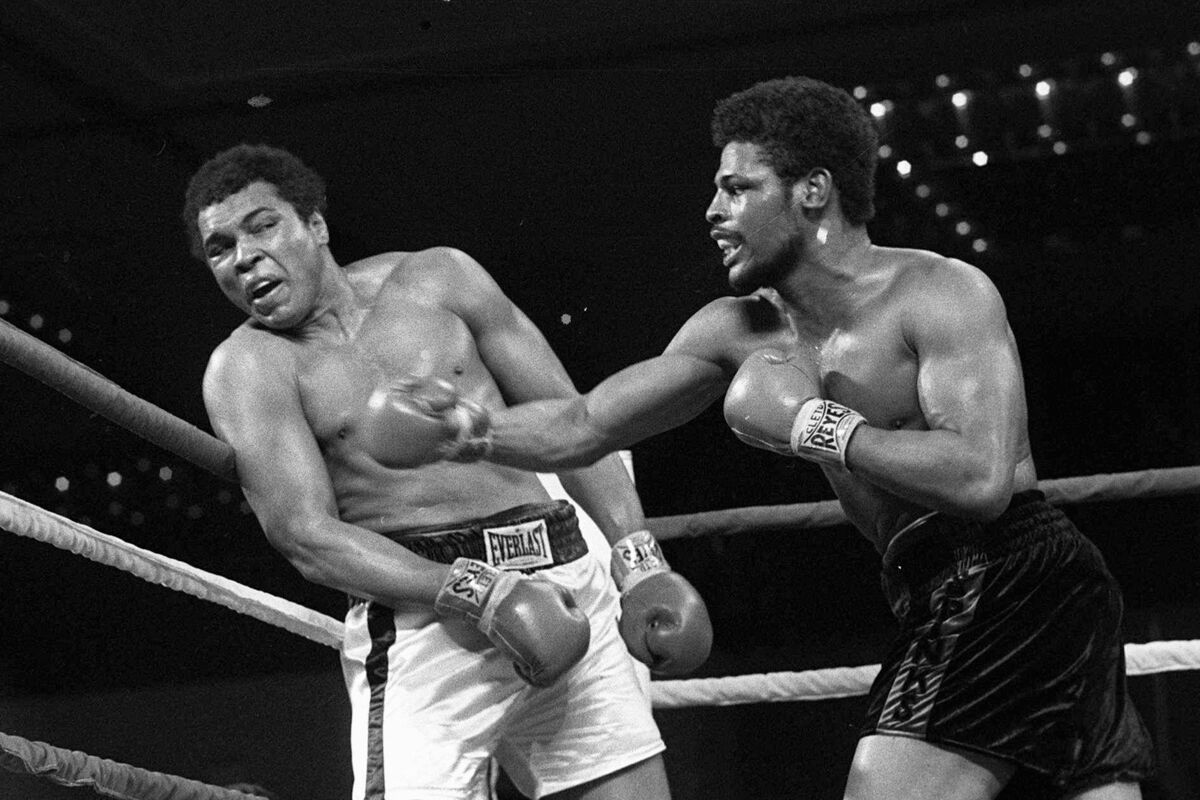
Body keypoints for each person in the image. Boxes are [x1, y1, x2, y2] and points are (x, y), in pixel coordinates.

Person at [404, 76, 1156, 799]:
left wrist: (810, 424)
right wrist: (468, 431)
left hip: (1006, 575)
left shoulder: (937, 293)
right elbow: (585, 423)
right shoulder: (737, 329)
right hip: (938, 587)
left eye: (737, 188)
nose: (712, 211)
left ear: (812, 190)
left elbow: (980, 481)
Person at [183, 143, 712, 800]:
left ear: (315, 225)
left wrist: (639, 560)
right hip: (427, 621)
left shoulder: (440, 279)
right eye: (220, 248)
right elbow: (305, 535)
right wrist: (476, 593)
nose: (244, 257)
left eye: (262, 226)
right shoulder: (249, 369)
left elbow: (576, 423)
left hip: (565, 576)